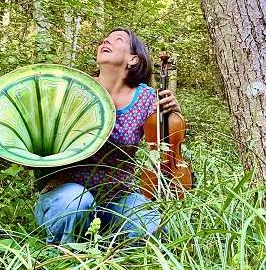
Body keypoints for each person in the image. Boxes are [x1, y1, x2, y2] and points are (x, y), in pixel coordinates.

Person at [34, 28, 182, 244]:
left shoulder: (146, 98)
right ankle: (66, 253)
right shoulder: (76, 87)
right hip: (65, 195)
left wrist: (172, 112)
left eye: (117, 40)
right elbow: (44, 134)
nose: (106, 40)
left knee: (155, 227)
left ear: (133, 59)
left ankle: (120, 255)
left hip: (119, 196)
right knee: (77, 202)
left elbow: (164, 143)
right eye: (106, 39)